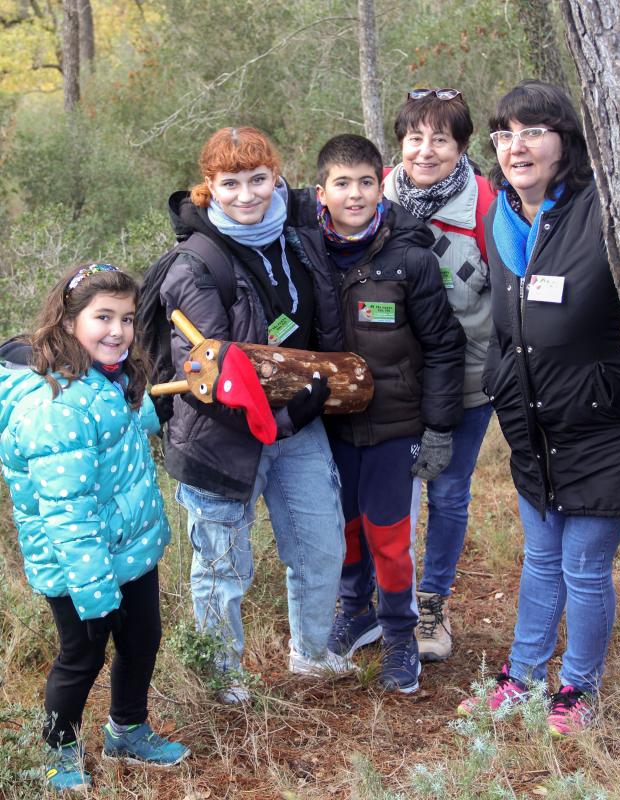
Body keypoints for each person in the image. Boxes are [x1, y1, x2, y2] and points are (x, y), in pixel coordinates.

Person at [457, 80, 620, 735]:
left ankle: (578, 691)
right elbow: (508, 327)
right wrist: (506, 384)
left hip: (603, 428)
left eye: (533, 130)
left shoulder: (606, 212)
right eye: (504, 133)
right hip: (534, 425)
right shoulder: (498, 220)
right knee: (540, 561)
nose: (517, 146)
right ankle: (521, 678)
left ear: (566, 142)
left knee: (585, 568)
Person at [159, 126, 350, 702]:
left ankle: (312, 655)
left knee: (322, 546)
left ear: (276, 176)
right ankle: (221, 680)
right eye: (231, 183)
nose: (246, 195)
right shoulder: (194, 266)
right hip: (219, 439)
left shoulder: (297, 236)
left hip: (298, 425)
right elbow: (206, 381)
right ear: (208, 186)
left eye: (258, 179)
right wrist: (283, 421)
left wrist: (309, 404)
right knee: (222, 566)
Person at [0, 264, 189, 793]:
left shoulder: (111, 380)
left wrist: (164, 401)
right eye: (102, 317)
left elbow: (131, 425)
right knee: (81, 656)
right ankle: (58, 749)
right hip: (79, 564)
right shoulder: (57, 409)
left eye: (127, 319)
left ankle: (126, 728)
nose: (118, 331)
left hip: (126, 549)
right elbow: (67, 513)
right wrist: (93, 591)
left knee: (142, 639)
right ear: (66, 323)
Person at [288, 134, 466, 693]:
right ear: (322, 192)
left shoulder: (409, 256)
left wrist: (438, 427)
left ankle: (397, 636)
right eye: (342, 183)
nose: (356, 194)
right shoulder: (303, 252)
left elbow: (443, 346)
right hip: (331, 426)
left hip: (396, 427)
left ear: (381, 183)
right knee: (345, 531)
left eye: (366, 181)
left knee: (388, 535)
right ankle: (355, 610)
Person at [384, 89, 494, 662]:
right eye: (415, 138)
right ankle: (384, 601)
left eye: (441, 140)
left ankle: (433, 603)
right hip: (390, 382)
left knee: (448, 493)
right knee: (387, 492)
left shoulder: (488, 206)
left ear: (462, 146)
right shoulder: (372, 195)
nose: (425, 152)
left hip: (469, 381)